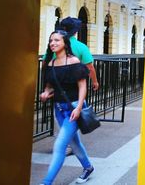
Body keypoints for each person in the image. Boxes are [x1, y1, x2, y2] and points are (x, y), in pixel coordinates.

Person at [40, 30, 94, 185]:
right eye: (51, 40)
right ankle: (88, 167)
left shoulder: (74, 62)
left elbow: (83, 87)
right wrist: (45, 93)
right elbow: (49, 87)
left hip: (73, 109)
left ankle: (46, 182)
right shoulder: (51, 63)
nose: (53, 43)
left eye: (57, 40)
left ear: (65, 43)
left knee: (59, 145)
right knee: (75, 143)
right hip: (59, 109)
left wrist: (78, 108)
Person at [59, 17, 99, 92]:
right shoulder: (82, 47)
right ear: (75, 32)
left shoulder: (55, 45)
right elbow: (90, 67)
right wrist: (95, 82)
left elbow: (45, 61)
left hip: (57, 84)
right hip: (74, 85)